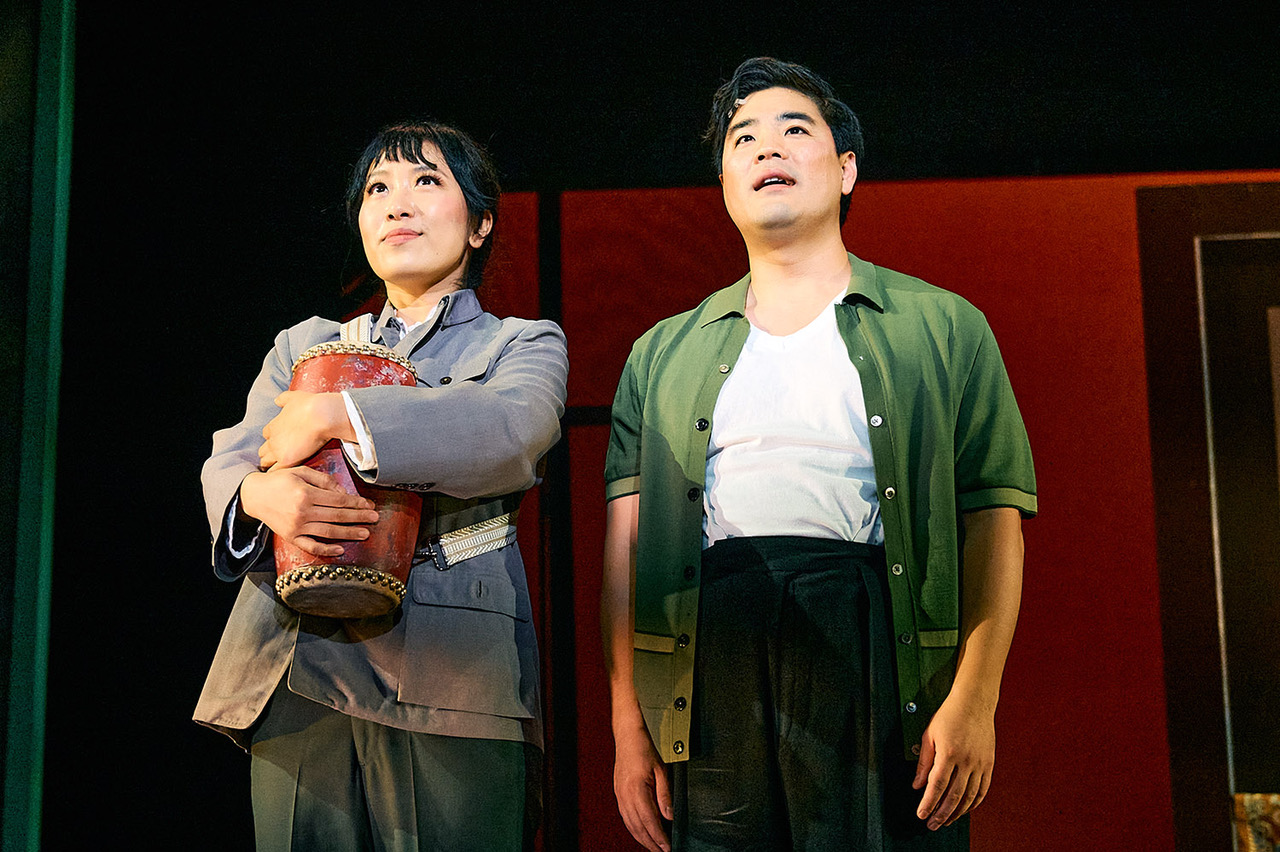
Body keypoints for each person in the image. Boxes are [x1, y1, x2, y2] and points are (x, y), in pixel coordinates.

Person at [602, 58, 1035, 851]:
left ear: (845, 170)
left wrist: (976, 701)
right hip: (715, 646)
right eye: (743, 138)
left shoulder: (944, 325)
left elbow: (993, 521)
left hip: (868, 635)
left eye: (794, 130)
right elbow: (626, 551)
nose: (767, 148)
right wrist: (630, 727)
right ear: (725, 182)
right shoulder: (660, 352)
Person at [195, 120, 567, 851]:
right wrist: (258, 497)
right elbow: (231, 459)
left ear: (480, 224)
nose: (398, 203)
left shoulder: (519, 343)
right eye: (378, 189)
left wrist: (336, 415)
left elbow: (509, 430)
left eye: (427, 181)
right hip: (294, 664)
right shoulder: (303, 345)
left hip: (451, 671)